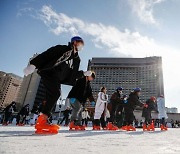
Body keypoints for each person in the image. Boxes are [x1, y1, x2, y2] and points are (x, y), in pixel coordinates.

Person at [24, 36, 90, 134]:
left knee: (52, 95)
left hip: (57, 79)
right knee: (55, 93)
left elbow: (72, 74)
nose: (81, 46)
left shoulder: (77, 59)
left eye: (82, 44)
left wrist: (83, 73)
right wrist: (33, 65)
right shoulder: (63, 49)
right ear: (74, 42)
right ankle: (42, 121)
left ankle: (43, 120)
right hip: (49, 72)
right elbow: (47, 55)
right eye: (80, 43)